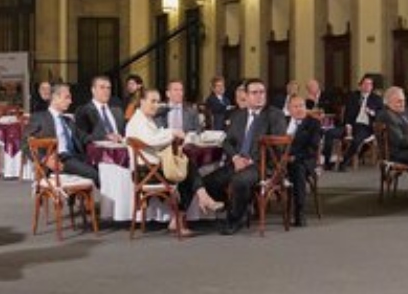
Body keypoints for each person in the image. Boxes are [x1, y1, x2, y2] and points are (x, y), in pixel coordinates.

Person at [124, 88, 223, 236]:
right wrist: (173, 133)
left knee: (186, 166)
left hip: (153, 167)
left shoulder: (145, 120)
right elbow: (153, 141)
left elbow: (156, 135)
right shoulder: (137, 121)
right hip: (147, 171)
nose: (156, 105)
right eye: (152, 101)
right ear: (142, 102)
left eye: (158, 101)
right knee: (186, 169)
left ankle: (183, 214)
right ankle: (200, 200)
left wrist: (171, 133)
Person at [203, 78, 286, 235]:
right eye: (254, 93)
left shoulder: (275, 114)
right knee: (209, 182)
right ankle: (238, 207)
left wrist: (250, 160)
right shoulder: (238, 116)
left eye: (262, 92)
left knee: (239, 181)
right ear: (246, 96)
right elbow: (227, 142)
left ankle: (235, 220)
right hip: (238, 162)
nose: (259, 96)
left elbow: (278, 145)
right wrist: (235, 158)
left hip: (262, 164)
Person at [26, 84, 100, 186]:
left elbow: (84, 137)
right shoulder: (39, 118)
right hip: (58, 159)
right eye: (67, 97)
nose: (70, 101)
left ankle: (74, 198)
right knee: (95, 174)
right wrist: (44, 159)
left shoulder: (68, 120)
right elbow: (26, 143)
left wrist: (106, 137)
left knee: (103, 167)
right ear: (55, 98)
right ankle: (110, 201)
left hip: (76, 157)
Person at [323, 75, 381, 170]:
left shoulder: (376, 99)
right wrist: (347, 125)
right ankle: (327, 163)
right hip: (351, 125)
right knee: (329, 133)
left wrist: (371, 112)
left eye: (369, 84)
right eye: (365, 84)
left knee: (357, 140)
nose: (367, 86)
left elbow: (380, 114)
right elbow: (347, 113)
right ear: (360, 85)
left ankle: (344, 162)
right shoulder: (353, 96)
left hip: (365, 127)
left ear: (372, 87)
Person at [284, 95, 322, 227]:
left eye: (302, 106)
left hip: (305, 160)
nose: (299, 109)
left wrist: (294, 157)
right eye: (295, 106)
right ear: (289, 109)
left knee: (297, 168)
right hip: (280, 161)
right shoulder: (282, 121)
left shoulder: (313, 124)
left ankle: (300, 212)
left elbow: (312, 149)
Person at [376, 86, 408, 171]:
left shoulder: (406, 113)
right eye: (399, 101)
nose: (402, 104)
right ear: (388, 102)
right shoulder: (386, 116)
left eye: (403, 101)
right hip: (396, 153)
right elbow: (400, 140)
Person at [75, 75, 126, 141]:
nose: (106, 91)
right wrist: (105, 138)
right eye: (102, 87)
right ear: (93, 90)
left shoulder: (118, 111)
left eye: (108, 88)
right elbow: (82, 137)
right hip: (97, 149)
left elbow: (125, 133)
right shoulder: (83, 111)